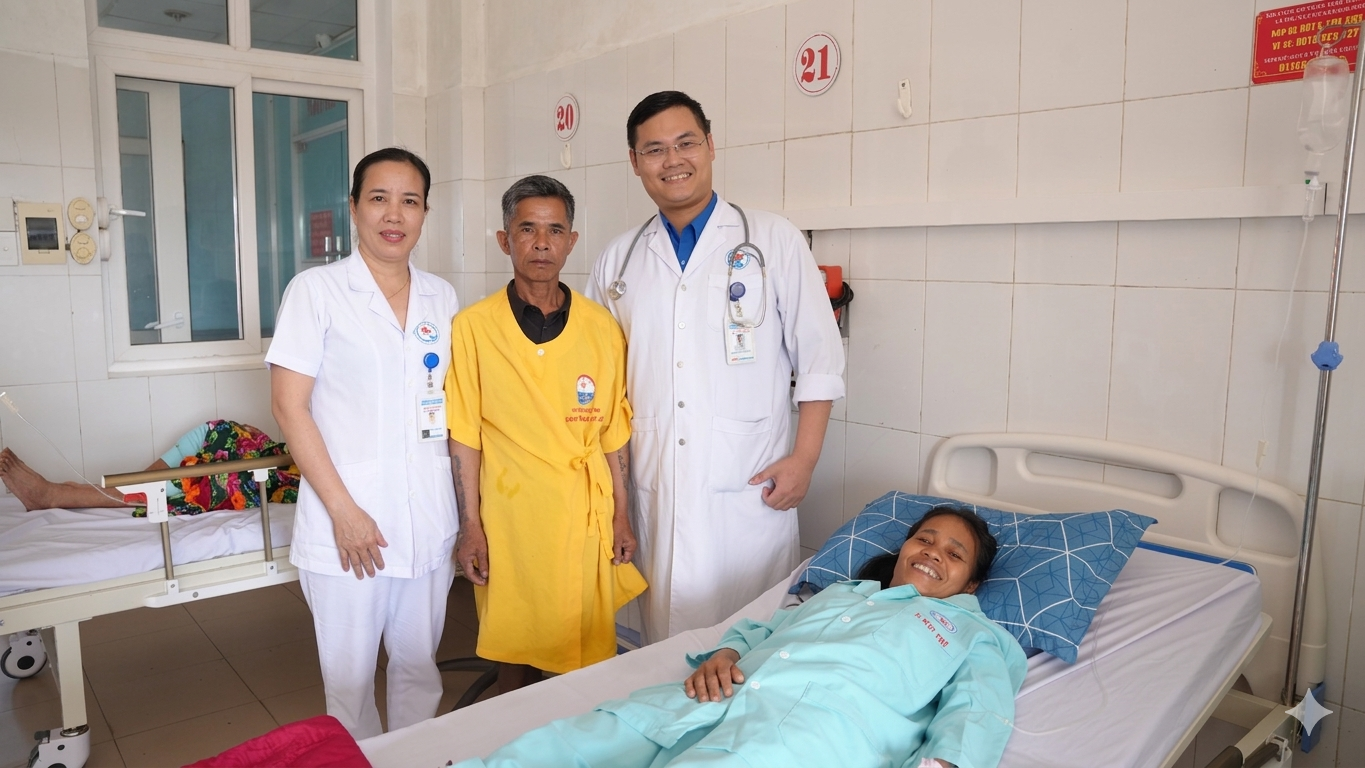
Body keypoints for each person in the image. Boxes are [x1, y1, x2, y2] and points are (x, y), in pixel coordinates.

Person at [454, 506, 1027, 768]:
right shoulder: (841, 594)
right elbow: (768, 628)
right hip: (717, 694)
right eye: (925, 539)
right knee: (592, 736)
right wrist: (726, 652)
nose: (933, 553)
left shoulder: (972, 632)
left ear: (971, 582)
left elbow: (978, 711)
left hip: (805, 735)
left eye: (954, 553)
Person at [586, 90, 846, 642]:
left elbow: (819, 358)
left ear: (709, 145)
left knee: (750, 644)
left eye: (685, 143)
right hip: (653, 482)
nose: (672, 160)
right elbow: (598, 381)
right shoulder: (618, 260)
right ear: (635, 162)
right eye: (654, 149)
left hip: (749, 483)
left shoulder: (772, 240)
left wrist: (804, 459)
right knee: (660, 646)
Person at [267, 147, 460, 739]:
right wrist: (345, 512)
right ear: (353, 208)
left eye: (410, 201)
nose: (394, 214)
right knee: (349, 686)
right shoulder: (316, 291)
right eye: (379, 198)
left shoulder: (442, 297)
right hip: (348, 523)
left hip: (427, 518)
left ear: (425, 212)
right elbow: (289, 406)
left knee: (418, 670)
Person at [446, 175, 647, 693]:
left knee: (585, 653)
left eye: (555, 230)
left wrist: (622, 515)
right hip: (511, 517)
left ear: (572, 241)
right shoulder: (474, 328)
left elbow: (614, 431)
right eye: (527, 229)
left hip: (584, 512)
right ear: (504, 239)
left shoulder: (602, 328)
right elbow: (464, 434)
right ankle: (514, 729)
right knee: (515, 649)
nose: (541, 243)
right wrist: (470, 526)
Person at [0, 420, 298, 515]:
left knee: (150, 486)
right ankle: (62, 493)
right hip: (255, 450)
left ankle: (59, 493)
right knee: (218, 430)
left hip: (259, 462)